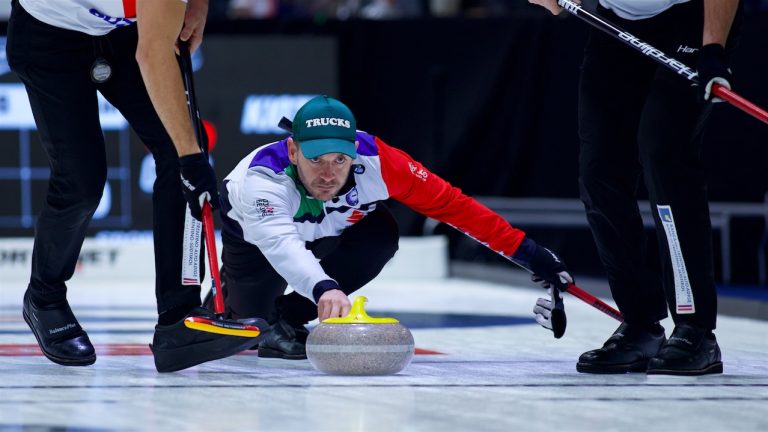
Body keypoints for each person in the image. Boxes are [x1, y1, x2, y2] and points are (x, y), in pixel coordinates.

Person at [211, 95, 573, 360]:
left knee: (380, 233)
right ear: (292, 151)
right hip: (257, 241)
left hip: (330, 235)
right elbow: (282, 246)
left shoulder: (383, 163)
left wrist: (530, 254)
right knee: (249, 329)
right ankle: (230, 302)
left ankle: (288, 316)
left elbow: (455, 208)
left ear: (354, 150)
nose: (327, 174)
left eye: (340, 160)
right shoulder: (263, 179)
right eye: (315, 159)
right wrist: (325, 289)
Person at [7, 0, 260, 373]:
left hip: (124, 30)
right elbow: (153, 52)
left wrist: (199, 6)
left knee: (181, 161)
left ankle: (178, 319)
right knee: (82, 180)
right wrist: (191, 157)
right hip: (49, 30)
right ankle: (44, 298)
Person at [529, 0, 740, 375]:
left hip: (689, 20)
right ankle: (640, 323)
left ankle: (696, 329)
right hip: (615, 21)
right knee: (599, 172)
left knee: (663, 154)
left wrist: (712, 49)